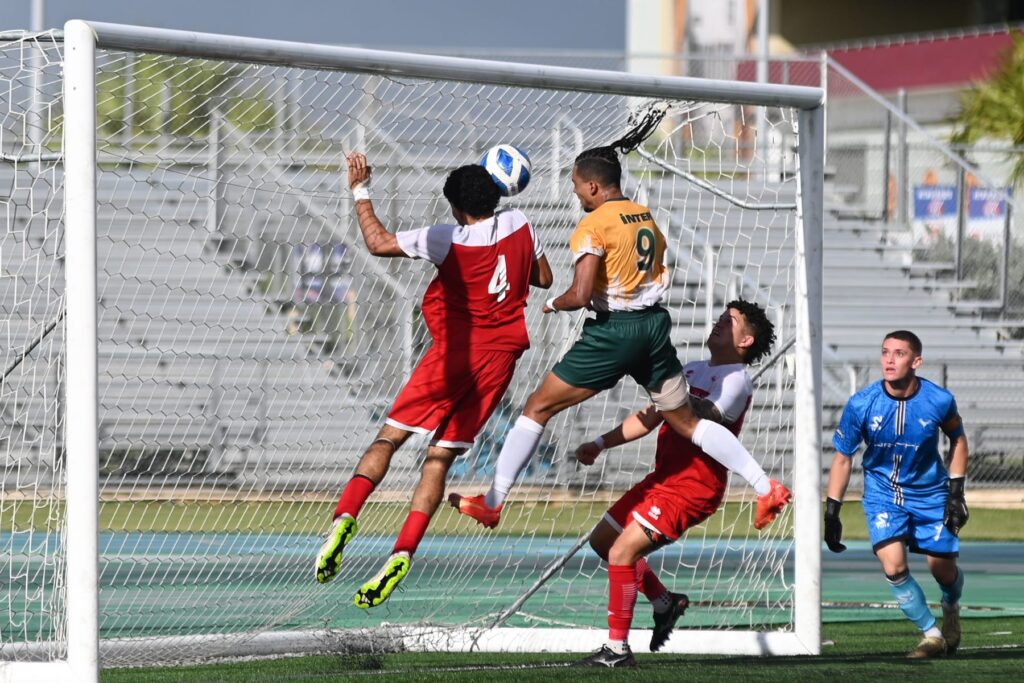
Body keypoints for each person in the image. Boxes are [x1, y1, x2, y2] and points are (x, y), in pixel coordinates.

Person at [449, 111, 791, 534]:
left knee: (538, 406)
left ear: (593, 186)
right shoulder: (644, 216)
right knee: (687, 423)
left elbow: (578, 294)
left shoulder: (593, 224)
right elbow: (659, 270)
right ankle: (764, 486)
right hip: (653, 328)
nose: (576, 194)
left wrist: (554, 303)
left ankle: (494, 502)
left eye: (577, 186)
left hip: (615, 333)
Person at [314, 152, 553, 608]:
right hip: (501, 362)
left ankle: (345, 518)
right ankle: (402, 551)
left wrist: (360, 190)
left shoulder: (449, 238)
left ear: (459, 210)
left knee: (387, 440)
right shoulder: (523, 222)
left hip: (455, 356)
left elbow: (379, 242)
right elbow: (544, 277)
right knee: (438, 460)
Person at [571, 301, 785, 667]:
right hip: (664, 478)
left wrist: (656, 375)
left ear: (746, 339)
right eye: (720, 317)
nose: (718, 322)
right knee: (602, 543)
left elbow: (705, 417)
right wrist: (601, 443)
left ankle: (617, 650)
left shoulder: (736, 379)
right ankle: (664, 601)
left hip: (693, 488)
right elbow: (650, 417)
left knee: (623, 553)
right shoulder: (691, 369)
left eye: (729, 321)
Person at [825, 330, 969, 659]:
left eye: (899, 353)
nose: (889, 360)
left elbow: (958, 441)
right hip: (882, 494)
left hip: (931, 494)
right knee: (893, 565)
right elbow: (843, 458)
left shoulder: (939, 400)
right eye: (885, 352)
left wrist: (956, 493)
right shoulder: (861, 404)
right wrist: (832, 511)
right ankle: (932, 635)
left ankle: (951, 606)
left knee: (942, 571)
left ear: (916, 361)